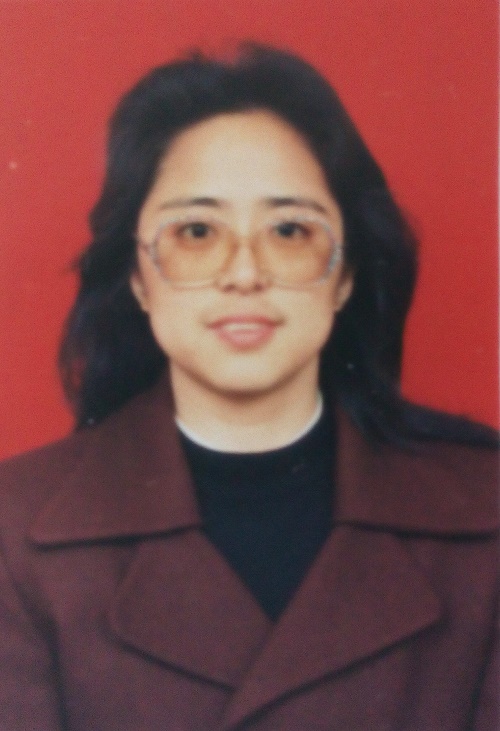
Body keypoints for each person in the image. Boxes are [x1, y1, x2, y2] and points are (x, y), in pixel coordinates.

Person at [0, 44, 498, 731]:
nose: (243, 273)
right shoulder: (15, 530)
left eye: (289, 230)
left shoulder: (486, 513)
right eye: (196, 231)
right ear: (138, 277)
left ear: (345, 275)